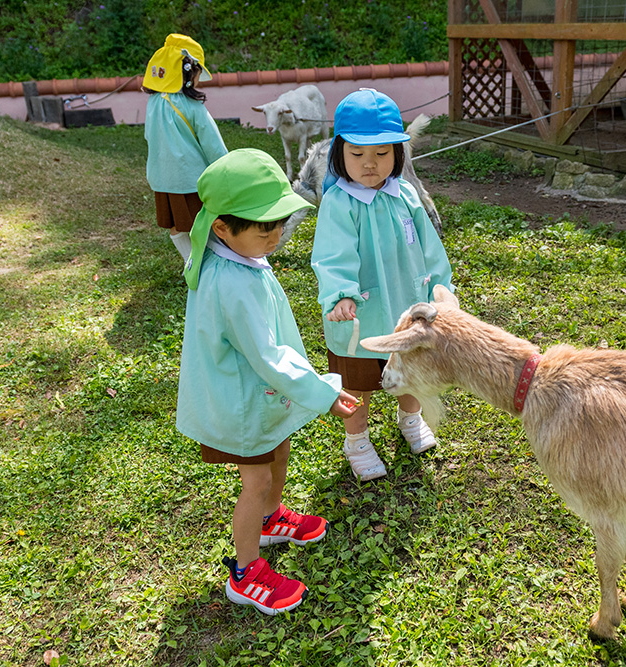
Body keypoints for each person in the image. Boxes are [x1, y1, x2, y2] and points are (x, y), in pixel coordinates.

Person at [177, 148, 357, 615]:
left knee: (279, 448)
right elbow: (267, 356)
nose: (277, 234)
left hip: (257, 396)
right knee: (254, 478)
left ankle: (271, 518)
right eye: (265, 226)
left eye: (280, 222)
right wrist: (323, 390)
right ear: (222, 226)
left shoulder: (239, 256)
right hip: (238, 403)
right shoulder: (232, 280)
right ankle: (245, 571)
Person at [310, 89, 455, 482]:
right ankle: (356, 441)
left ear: (398, 155)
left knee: (410, 370)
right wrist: (340, 293)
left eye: (382, 154)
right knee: (360, 381)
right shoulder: (339, 202)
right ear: (339, 154)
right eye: (357, 155)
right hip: (361, 314)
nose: (370, 164)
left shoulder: (405, 195)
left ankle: (410, 418)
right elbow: (332, 254)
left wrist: (441, 290)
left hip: (407, 306)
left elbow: (430, 249)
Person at [143, 33, 227, 260]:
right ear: (190, 73)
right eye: (199, 71)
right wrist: (226, 170)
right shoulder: (193, 106)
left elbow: (149, 137)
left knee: (177, 225)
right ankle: (203, 267)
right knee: (205, 222)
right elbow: (213, 145)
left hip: (163, 178)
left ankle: (189, 263)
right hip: (191, 179)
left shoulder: (153, 102)